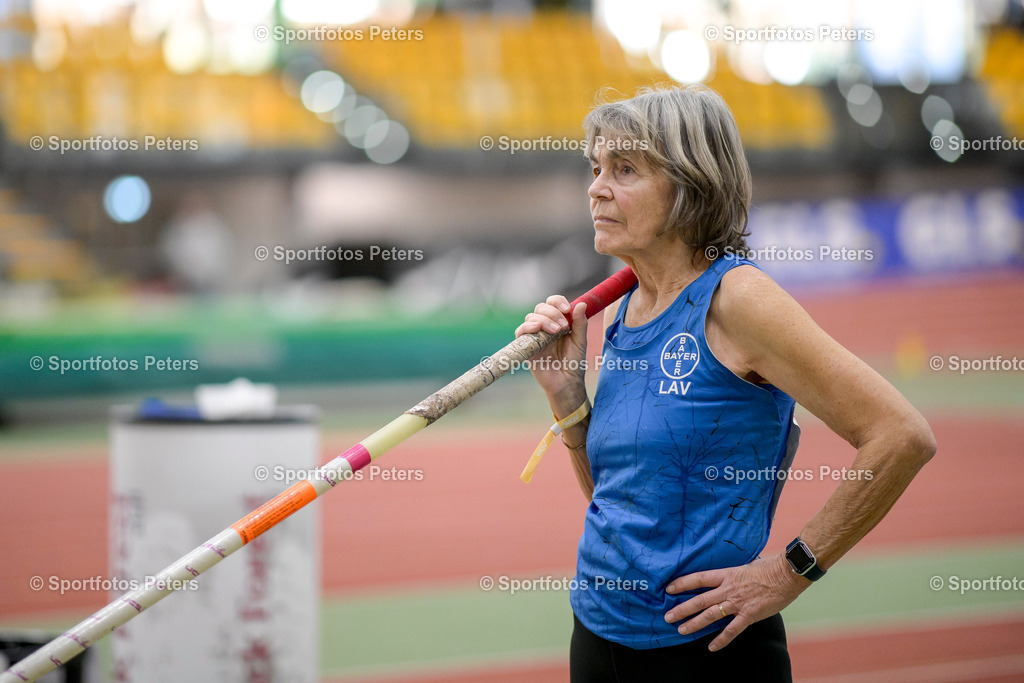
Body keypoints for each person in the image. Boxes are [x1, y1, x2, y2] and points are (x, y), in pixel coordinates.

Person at [514, 85, 936, 682]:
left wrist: (789, 571)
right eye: (595, 167)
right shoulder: (627, 306)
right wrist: (569, 400)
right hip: (599, 636)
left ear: (689, 182)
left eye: (624, 169)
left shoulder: (739, 300)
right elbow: (618, 499)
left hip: (710, 652)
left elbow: (901, 435)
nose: (596, 187)